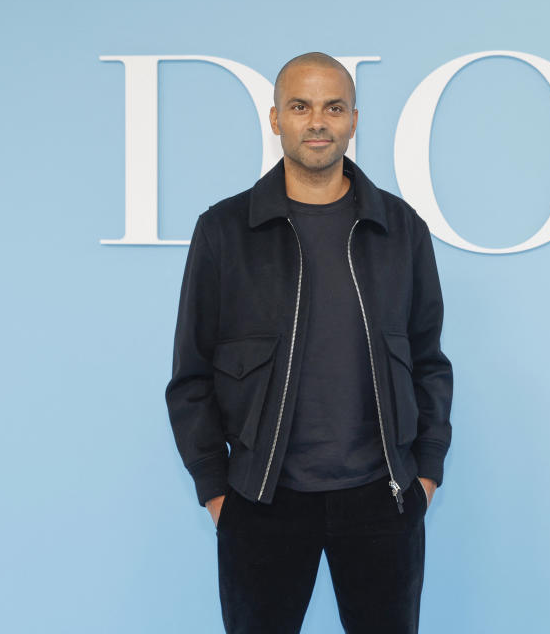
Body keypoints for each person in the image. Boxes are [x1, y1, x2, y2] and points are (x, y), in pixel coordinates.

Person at [164, 51, 454, 633]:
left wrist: (426, 470)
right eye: (300, 106)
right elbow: (190, 373)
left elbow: (429, 362)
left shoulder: (401, 228)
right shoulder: (224, 230)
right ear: (275, 118)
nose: (316, 121)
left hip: (384, 496)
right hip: (262, 498)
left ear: (352, 119)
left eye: (333, 107)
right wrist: (216, 489)